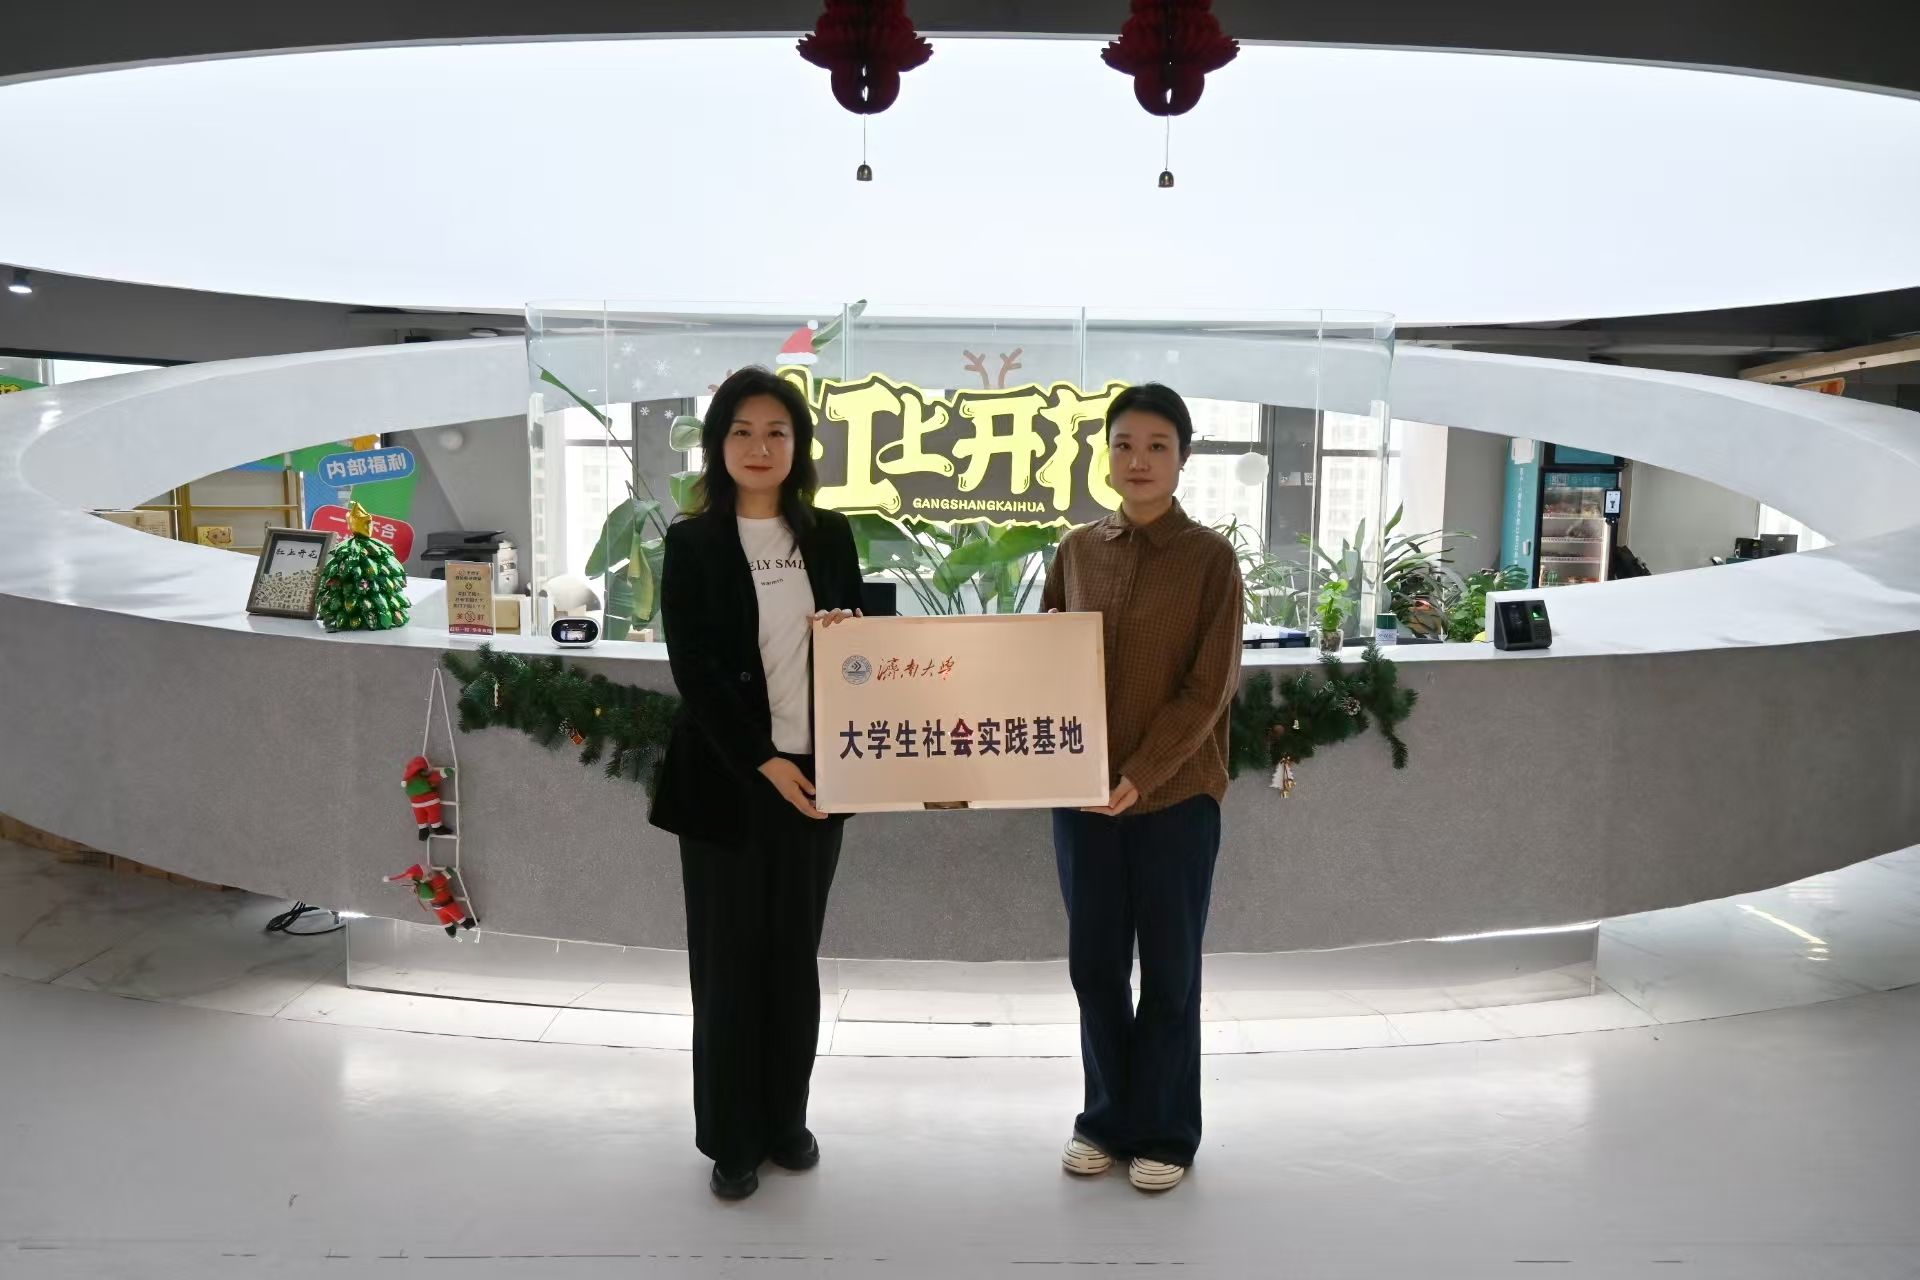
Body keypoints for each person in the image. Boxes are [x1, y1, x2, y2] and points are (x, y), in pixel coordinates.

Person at [647, 366, 864, 1201]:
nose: (760, 446)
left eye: (777, 431)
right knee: (729, 967)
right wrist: (764, 760)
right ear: (719, 445)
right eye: (742, 431)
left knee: (792, 962)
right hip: (728, 784)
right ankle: (731, 1139)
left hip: (818, 782)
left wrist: (848, 630)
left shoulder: (830, 536)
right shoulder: (693, 543)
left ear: (798, 445)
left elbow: (860, 646)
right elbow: (695, 670)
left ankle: (784, 1121)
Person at [1040, 382, 1243, 1194]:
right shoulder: (1076, 550)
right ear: (1106, 454)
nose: (1139, 460)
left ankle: (1166, 1130)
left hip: (1175, 798)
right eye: (1124, 443)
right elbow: (1042, 660)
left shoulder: (1209, 560)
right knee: (1094, 968)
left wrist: (1139, 773)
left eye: (1157, 445)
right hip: (1081, 798)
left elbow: (1208, 688)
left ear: (1183, 458)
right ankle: (1104, 1119)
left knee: (1169, 972)